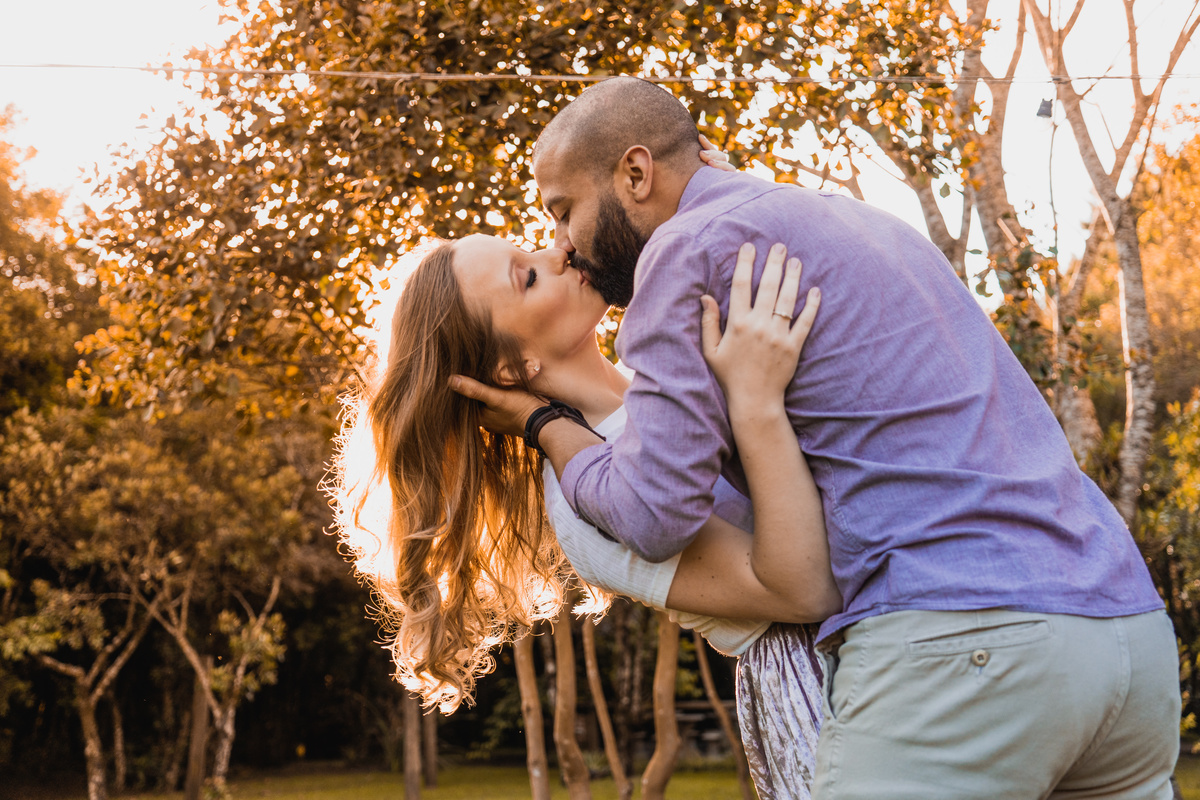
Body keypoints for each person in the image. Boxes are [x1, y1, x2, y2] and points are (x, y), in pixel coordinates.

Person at [450, 76, 1180, 799]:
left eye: (563, 210)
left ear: (635, 173)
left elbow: (653, 513)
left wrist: (542, 427)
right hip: (1123, 631)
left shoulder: (683, 252)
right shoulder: (859, 220)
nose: (563, 244)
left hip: (964, 640)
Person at [330, 230, 840, 798]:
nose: (561, 253)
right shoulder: (583, 506)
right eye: (527, 276)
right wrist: (756, 399)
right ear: (509, 367)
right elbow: (803, 591)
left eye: (534, 247)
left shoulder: (663, 370)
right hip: (831, 700)